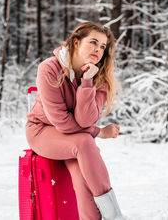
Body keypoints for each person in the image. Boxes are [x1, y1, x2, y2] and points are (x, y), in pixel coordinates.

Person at [25, 22, 126, 220]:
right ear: (76, 42)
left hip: (74, 139)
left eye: (103, 47)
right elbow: (61, 121)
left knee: (83, 178)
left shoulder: (100, 77)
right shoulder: (49, 68)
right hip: (42, 131)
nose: (98, 50)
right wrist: (98, 132)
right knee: (84, 142)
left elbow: (85, 119)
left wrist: (87, 81)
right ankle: (115, 217)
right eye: (93, 42)